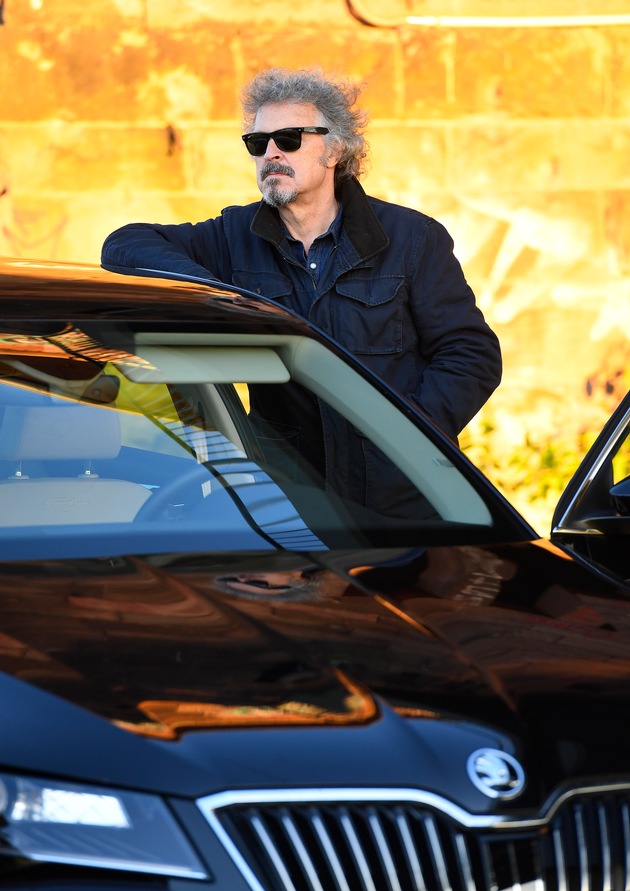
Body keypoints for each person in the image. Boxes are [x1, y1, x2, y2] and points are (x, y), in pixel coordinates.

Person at [101, 67, 501, 518]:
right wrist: (214, 292)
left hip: (401, 501)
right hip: (289, 504)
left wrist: (407, 436)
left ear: (335, 149)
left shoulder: (411, 238)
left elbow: (472, 354)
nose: (271, 153)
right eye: (258, 143)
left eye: (289, 139)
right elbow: (125, 244)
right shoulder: (233, 236)